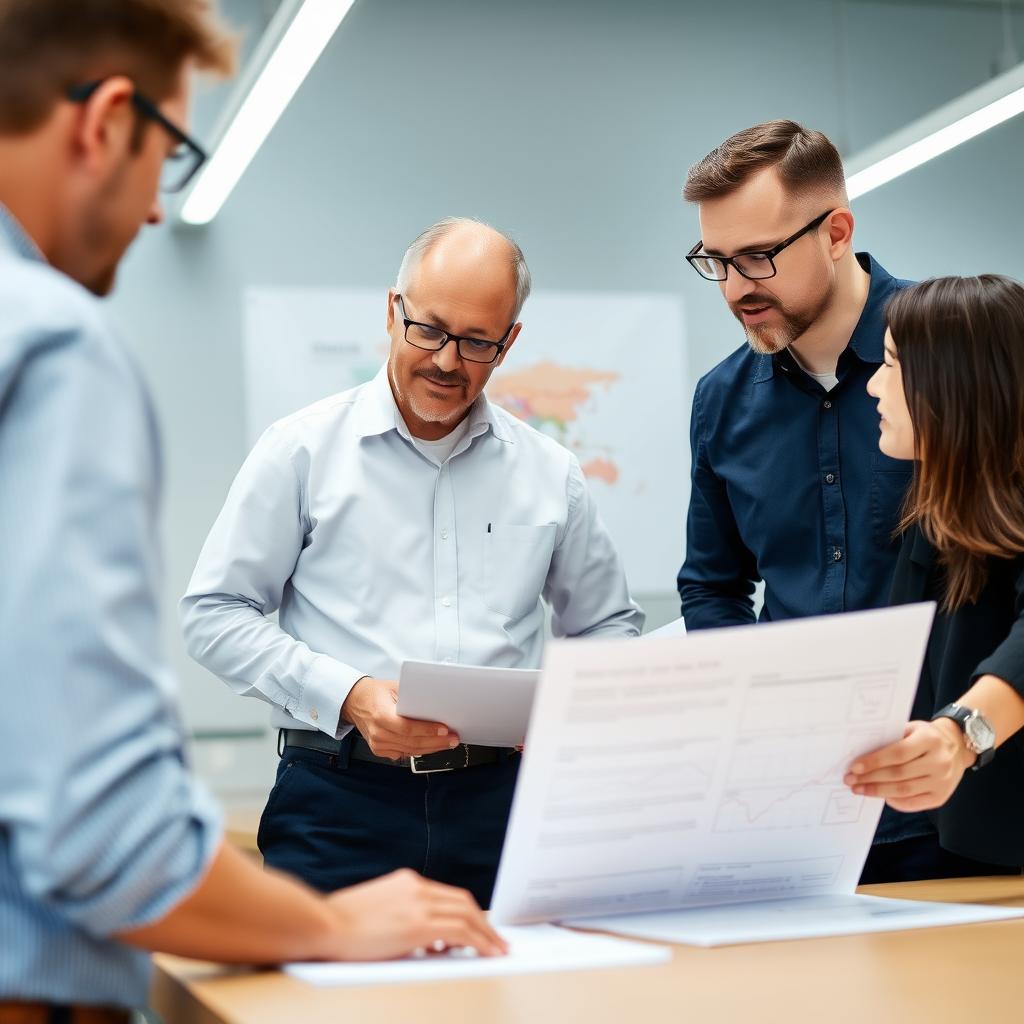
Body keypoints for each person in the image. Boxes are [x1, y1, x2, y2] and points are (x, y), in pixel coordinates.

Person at [0, 3, 504, 1017]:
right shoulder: (53, 345)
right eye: (168, 156)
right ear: (105, 120)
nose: (155, 211)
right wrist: (332, 926)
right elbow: (99, 825)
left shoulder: (547, 473)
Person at [181, 216, 644, 908]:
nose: (447, 361)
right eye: (429, 330)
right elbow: (214, 615)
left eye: (477, 341)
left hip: (505, 806)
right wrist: (349, 694)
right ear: (393, 311)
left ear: (509, 342)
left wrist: (564, 713)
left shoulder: (551, 472)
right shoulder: (301, 450)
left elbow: (608, 626)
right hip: (338, 802)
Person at [677, 119, 914, 631]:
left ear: (836, 234)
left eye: (758, 257)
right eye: (717, 262)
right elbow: (713, 587)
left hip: (944, 683)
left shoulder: (953, 348)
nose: (735, 290)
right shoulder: (720, 400)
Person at [848, 275, 1024, 881]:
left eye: (891, 364)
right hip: (968, 854)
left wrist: (960, 734)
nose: (873, 385)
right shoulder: (937, 509)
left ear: (953, 383)